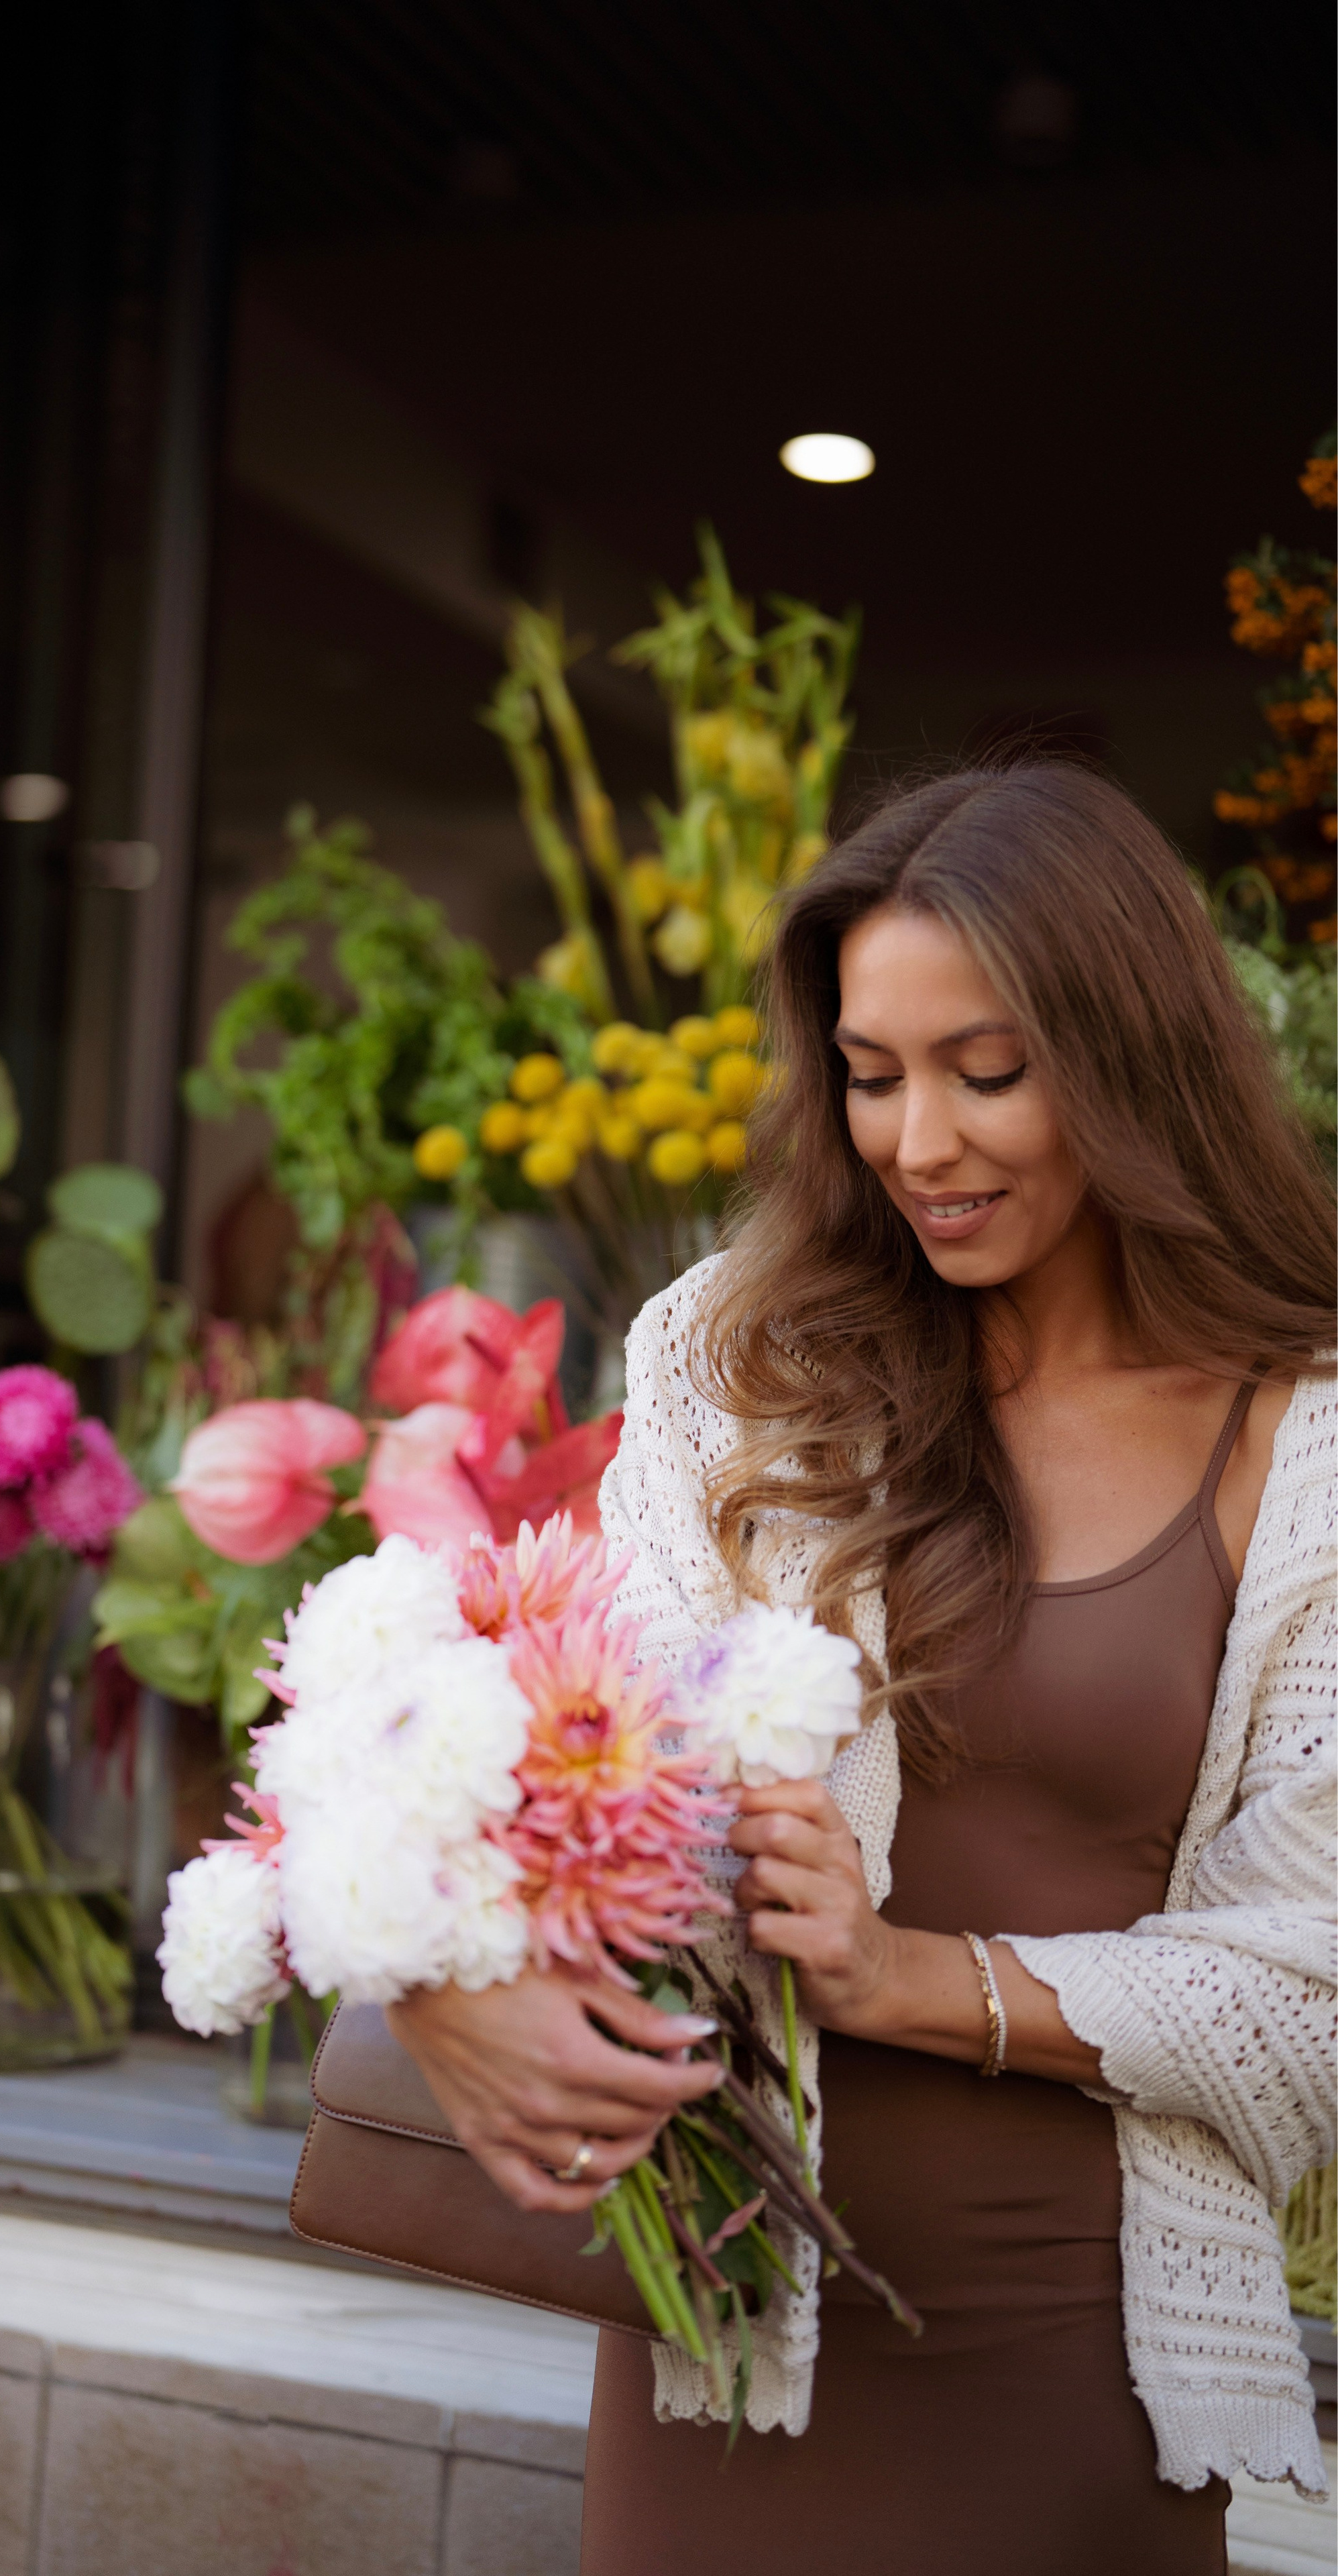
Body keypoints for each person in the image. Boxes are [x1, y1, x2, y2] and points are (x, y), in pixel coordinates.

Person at [387, 764, 1336, 2573]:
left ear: (1133, 1058)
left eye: (988, 1072)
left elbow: (1321, 1988)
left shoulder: (1308, 1446)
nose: (920, 1144)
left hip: (1080, 2383)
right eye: (872, 1072)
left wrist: (906, 1978)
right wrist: (452, 1983)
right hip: (733, 2358)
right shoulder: (729, 1367)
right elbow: (572, 1772)